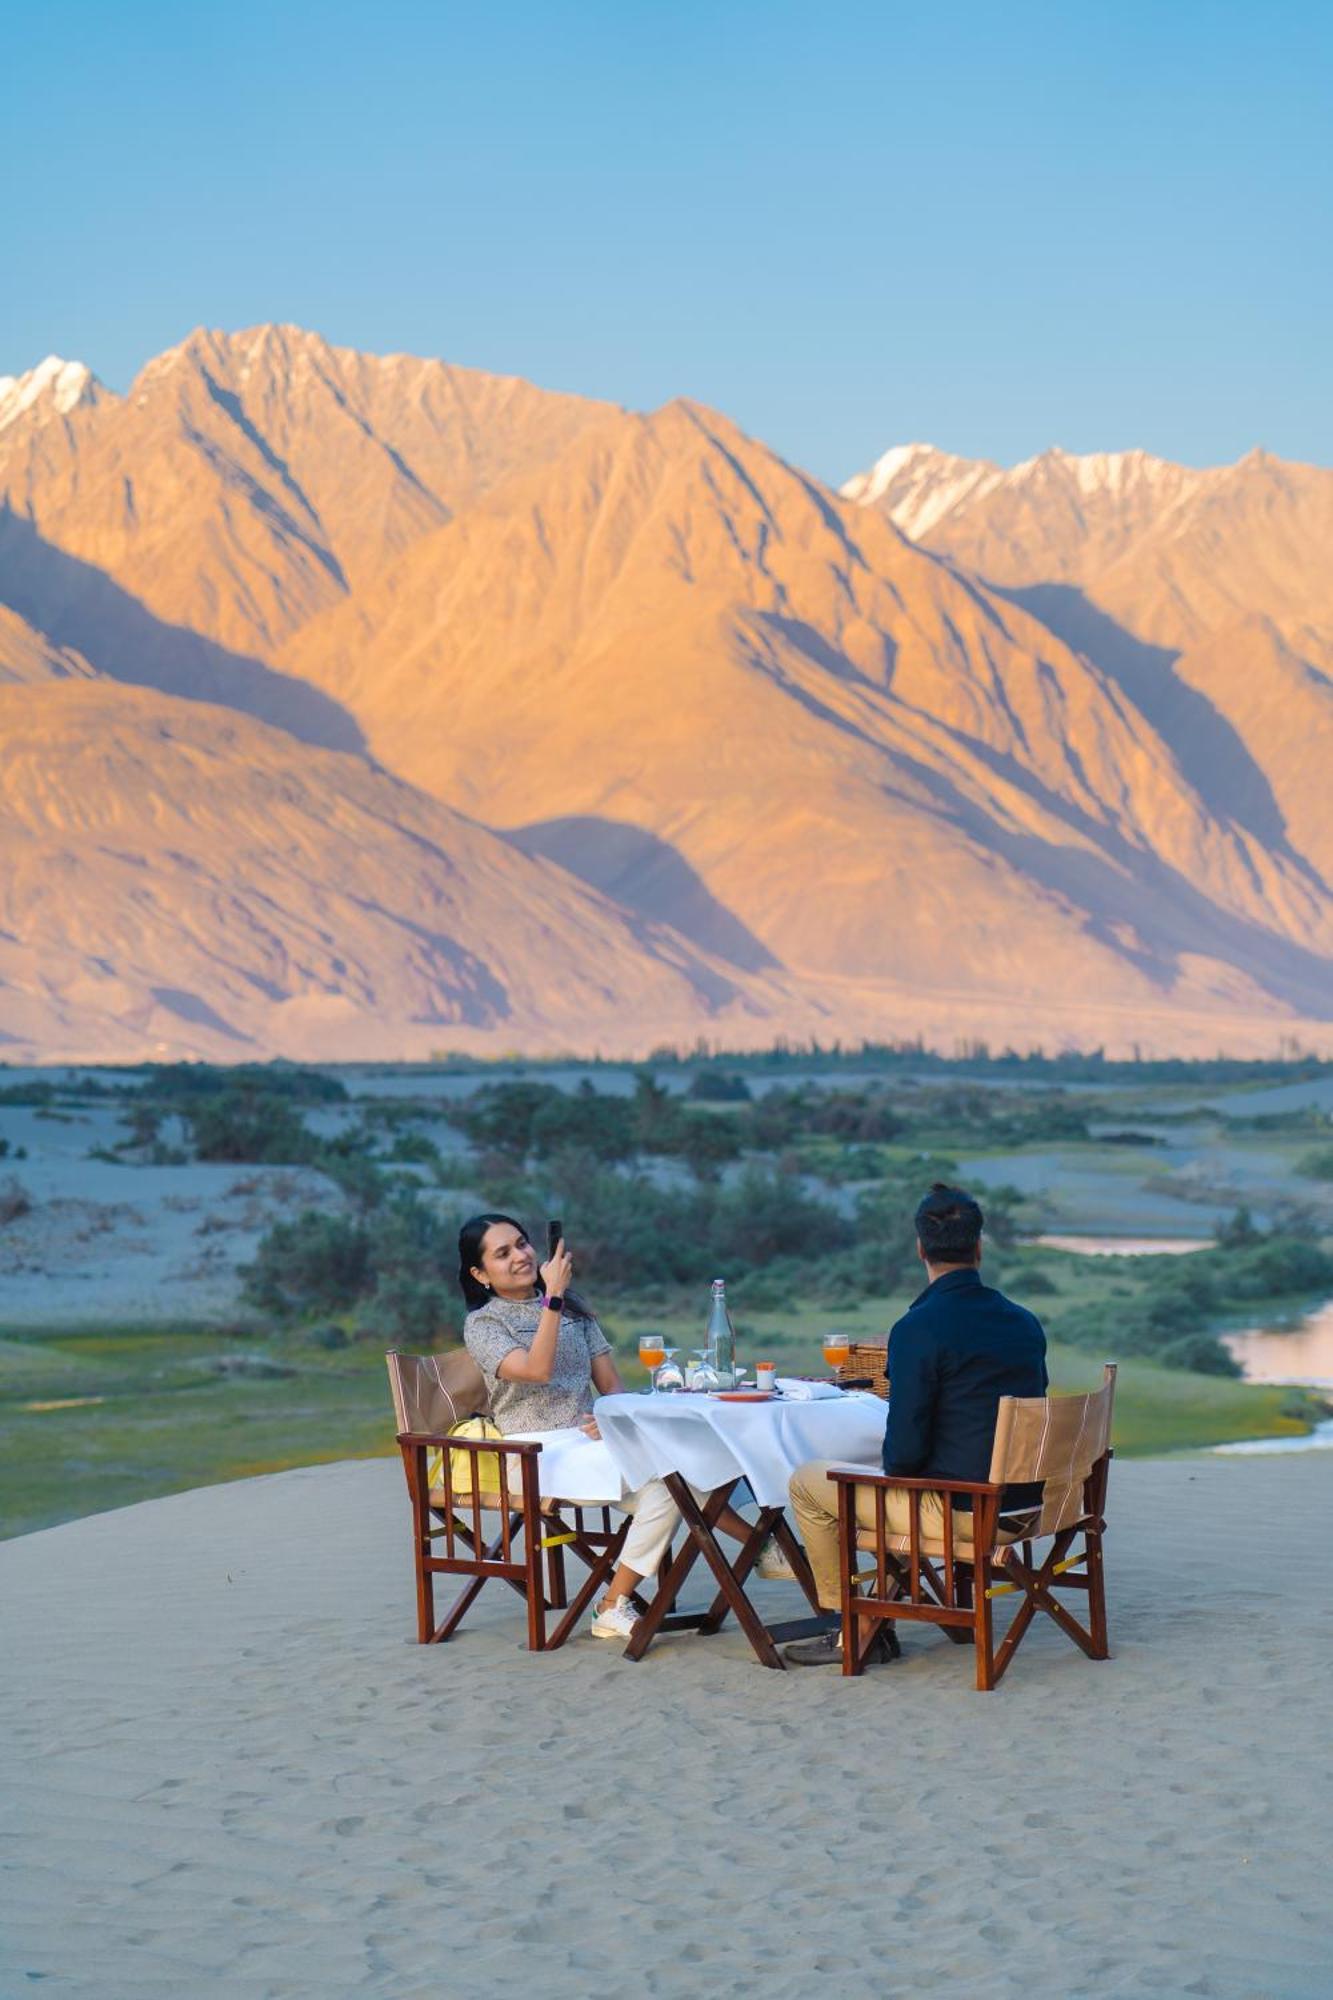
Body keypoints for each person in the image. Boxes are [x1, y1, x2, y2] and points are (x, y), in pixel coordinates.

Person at [459, 1213, 764, 1641]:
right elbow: (536, 1369)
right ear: (479, 1273)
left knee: (672, 1480)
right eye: (502, 1253)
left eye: (523, 1244)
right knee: (673, 1471)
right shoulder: (485, 1324)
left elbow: (612, 1389)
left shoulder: (575, 1310)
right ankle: (764, 1547)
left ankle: (612, 1604)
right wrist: (555, 1297)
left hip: (591, 1443)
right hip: (534, 1453)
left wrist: (614, 1421)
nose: (520, 1256)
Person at [781, 1182, 1049, 1667]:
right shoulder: (1024, 1321)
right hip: (1029, 1509)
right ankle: (871, 1626)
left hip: (965, 1514)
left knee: (806, 1482)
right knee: (900, 1489)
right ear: (979, 1248)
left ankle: (850, 1626)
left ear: (920, 1249)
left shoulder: (918, 1328)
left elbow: (902, 1457)